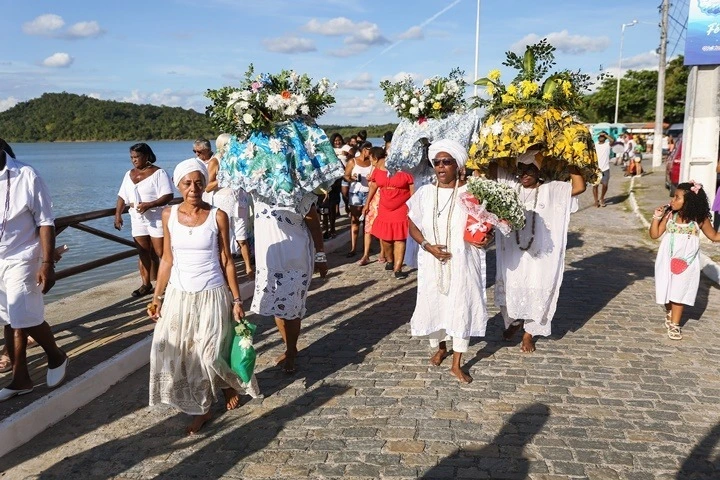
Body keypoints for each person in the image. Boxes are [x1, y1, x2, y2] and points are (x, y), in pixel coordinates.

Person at [147, 158, 260, 435]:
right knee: (187, 356)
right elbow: (166, 260)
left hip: (212, 293)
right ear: (178, 185)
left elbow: (226, 260)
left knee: (209, 353)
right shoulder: (168, 215)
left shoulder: (217, 215)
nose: (194, 188)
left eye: (199, 182)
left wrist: (236, 300)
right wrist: (157, 296)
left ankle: (228, 385)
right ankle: (203, 408)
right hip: (179, 295)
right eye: (187, 183)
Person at [407, 139, 492, 383]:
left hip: (464, 261)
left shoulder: (473, 193)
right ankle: (441, 347)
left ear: (458, 165)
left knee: (461, 304)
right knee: (435, 302)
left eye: (447, 162)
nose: (441, 167)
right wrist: (427, 246)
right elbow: (412, 224)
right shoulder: (425, 193)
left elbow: (487, 224)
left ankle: (457, 363)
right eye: (437, 163)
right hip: (432, 261)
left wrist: (487, 238)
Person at [492, 151, 586, 353]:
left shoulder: (551, 189)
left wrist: (571, 156)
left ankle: (529, 334)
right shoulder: (510, 188)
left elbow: (579, 186)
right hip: (513, 253)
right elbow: (491, 170)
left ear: (539, 170)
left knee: (538, 287)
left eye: (530, 169)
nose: (524, 174)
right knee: (509, 287)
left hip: (541, 255)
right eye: (521, 169)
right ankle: (514, 322)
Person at [0, 139, 69, 401]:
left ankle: (50, 359)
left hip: (23, 256)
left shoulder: (26, 175)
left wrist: (47, 263)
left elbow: (45, 221)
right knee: (10, 317)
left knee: (21, 315)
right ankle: (26, 376)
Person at [250, 184, 328, 375]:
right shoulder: (256, 191)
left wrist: (320, 255)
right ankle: (289, 346)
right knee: (277, 306)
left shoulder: (300, 192)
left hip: (295, 259)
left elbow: (314, 224)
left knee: (291, 308)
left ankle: (291, 350)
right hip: (269, 260)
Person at [650, 181, 720, 340]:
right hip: (667, 258)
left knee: (679, 290)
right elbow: (654, 234)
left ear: (688, 202)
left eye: (677, 197)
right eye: (673, 196)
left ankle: (675, 324)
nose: (672, 200)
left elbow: (714, 236)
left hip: (687, 262)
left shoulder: (699, 219)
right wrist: (656, 217)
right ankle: (669, 311)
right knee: (667, 287)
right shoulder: (670, 215)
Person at [114, 143, 174, 297]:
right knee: (142, 252)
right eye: (132, 157)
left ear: (146, 156)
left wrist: (150, 204)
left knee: (162, 252)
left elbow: (168, 195)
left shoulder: (158, 173)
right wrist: (118, 214)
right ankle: (146, 284)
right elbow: (122, 196)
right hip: (137, 218)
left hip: (156, 217)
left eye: (137, 157)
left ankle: (170, 282)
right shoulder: (129, 174)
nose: (134, 160)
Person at [200, 135, 254, 277]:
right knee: (224, 238)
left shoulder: (237, 160)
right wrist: (225, 178)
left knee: (242, 236)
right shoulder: (215, 161)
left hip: (239, 201)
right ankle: (225, 272)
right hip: (222, 202)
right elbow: (207, 187)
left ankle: (249, 268)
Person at [363, 147, 415, 278]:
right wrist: (367, 203)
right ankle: (390, 260)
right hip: (385, 208)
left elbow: (411, 186)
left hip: (401, 208)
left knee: (399, 238)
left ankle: (398, 269)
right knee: (385, 238)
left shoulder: (404, 169)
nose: (370, 161)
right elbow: (374, 186)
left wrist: (414, 205)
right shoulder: (377, 170)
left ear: (374, 157)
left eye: (370, 158)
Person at [344, 141, 373, 257]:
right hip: (355, 192)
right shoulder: (353, 161)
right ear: (362, 150)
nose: (369, 152)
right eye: (367, 149)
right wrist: (352, 178)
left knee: (367, 222)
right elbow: (345, 176)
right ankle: (353, 248)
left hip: (368, 193)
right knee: (355, 221)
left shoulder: (371, 162)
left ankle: (365, 248)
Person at [592, 132, 612, 207]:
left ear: (605, 138)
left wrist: (605, 134)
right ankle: (596, 201)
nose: (601, 137)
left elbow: (613, 141)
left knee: (605, 185)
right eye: (600, 136)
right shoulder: (595, 144)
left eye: (602, 136)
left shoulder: (607, 145)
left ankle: (602, 198)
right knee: (595, 185)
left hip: (605, 168)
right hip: (596, 169)